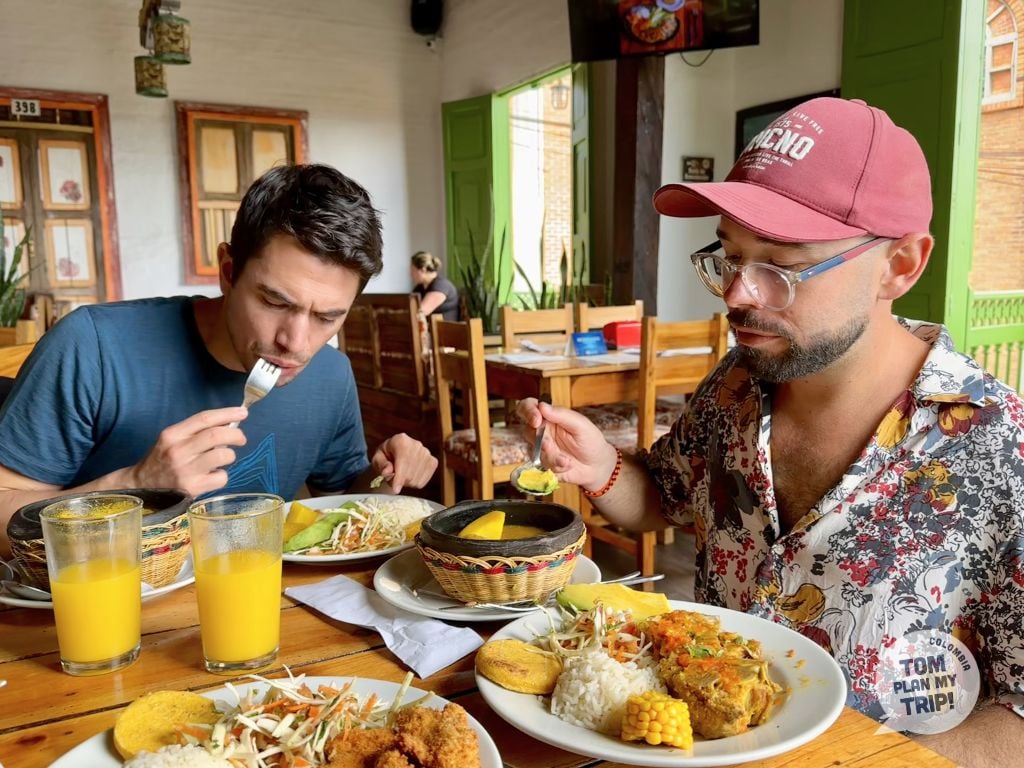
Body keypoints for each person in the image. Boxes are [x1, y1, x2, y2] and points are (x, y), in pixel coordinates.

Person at [517, 97, 1023, 762]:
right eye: (730, 255)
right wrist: (603, 470)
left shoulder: (998, 449)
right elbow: (660, 498)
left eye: (781, 265)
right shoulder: (737, 383)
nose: (737, 294)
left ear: (899, 264)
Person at [0, 163, 437, 557]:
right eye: (274, 302)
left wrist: (383, 477)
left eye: (327, 317)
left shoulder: (330, 374)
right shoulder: (93, 346)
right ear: (228, 271)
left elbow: (339, 503)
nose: (296, 342)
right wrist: (134, 486)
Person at [410, 250, 460, 321]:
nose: (411, 274)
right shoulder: (420, 287)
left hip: (445, 330)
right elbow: (409, 306)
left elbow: (420, 312)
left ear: (423, 270)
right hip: (430, 329)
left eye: (413, 270)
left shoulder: (441, 286)